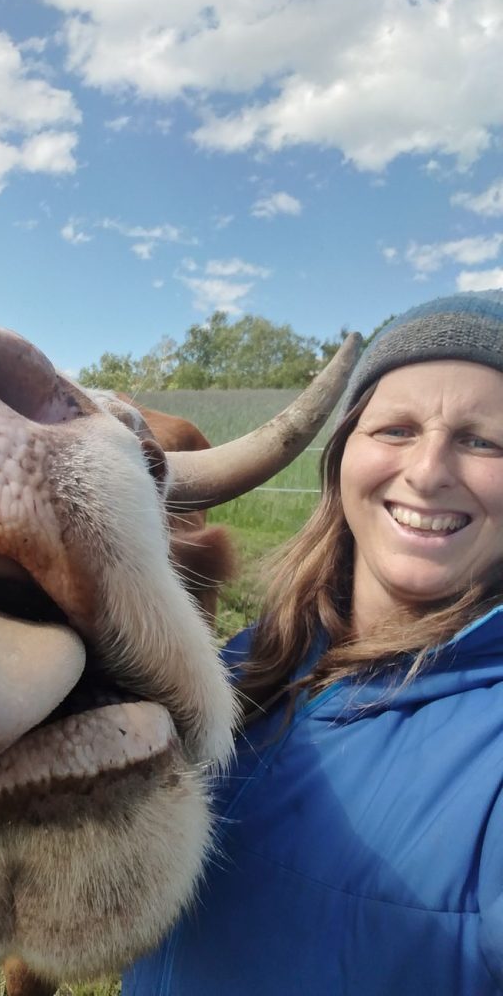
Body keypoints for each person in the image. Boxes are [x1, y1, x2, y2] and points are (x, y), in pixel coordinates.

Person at [123, 290, 503, 995]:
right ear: (342, 457)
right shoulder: (246, 661)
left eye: (484, 441)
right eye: (396, 429)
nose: (428, 472)